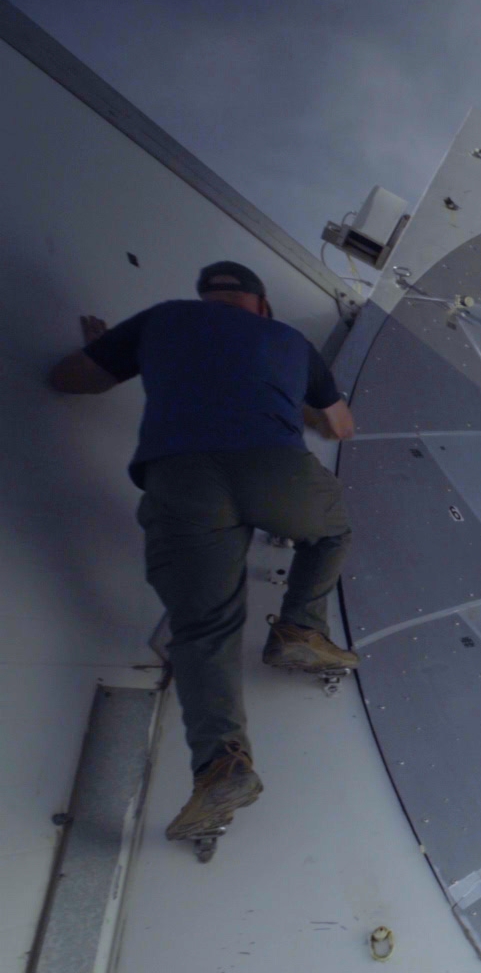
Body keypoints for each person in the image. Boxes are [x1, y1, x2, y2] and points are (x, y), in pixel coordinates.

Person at [49, 261, 361, 847]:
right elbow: (340, 427)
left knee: (204, 630)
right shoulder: (290, 341)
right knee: (332, 530)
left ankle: (223, 767)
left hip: (181, 476)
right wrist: (293, 396)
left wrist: (111, 352)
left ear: (203, 298)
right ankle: (299, 628)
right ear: (262, 306)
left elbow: (71, 379)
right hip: (275, 467)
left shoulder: (164, 322)